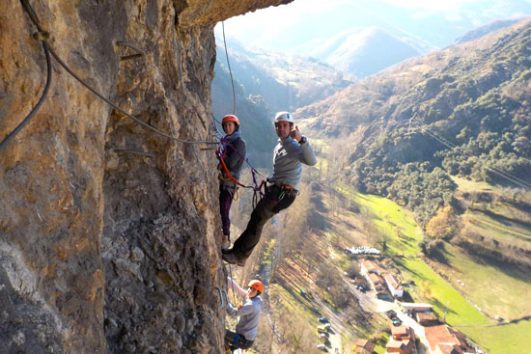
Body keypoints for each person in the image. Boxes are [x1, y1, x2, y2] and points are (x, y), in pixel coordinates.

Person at [222, 111, 317, 266]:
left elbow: (312, 161)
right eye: (278, 126)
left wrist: (302, 140)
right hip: (278, 189)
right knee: (256, 218)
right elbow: (283, 171)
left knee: (257, 220)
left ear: (291, 127)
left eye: (285, 126)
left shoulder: (293, 145)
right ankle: (236, 252)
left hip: (284, 193)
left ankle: (239, 256)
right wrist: (271, 180)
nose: (281, 128)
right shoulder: (280, 145)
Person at [218, 114, 246, 250]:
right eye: (226, 125)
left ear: (235, 126)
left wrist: (219, 156)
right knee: (219, 207)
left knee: (224, 208)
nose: (228, 127)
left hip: (230, 181)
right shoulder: (226, 142)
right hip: (222, 179)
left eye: (231, 125)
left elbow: (230, 163)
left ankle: (226, 236)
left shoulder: (239, 143)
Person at [225, 278, 264, 352]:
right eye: (250, 288)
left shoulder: (252, 305)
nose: (250, 291)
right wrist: (228, 279)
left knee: (223, 333)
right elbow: (241, 292)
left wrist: (225, 301)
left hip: (244, 340)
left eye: (253, 290)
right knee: (227, 348)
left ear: (257, 292)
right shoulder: (257, 299)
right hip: (245, 337)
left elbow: (233, 313)